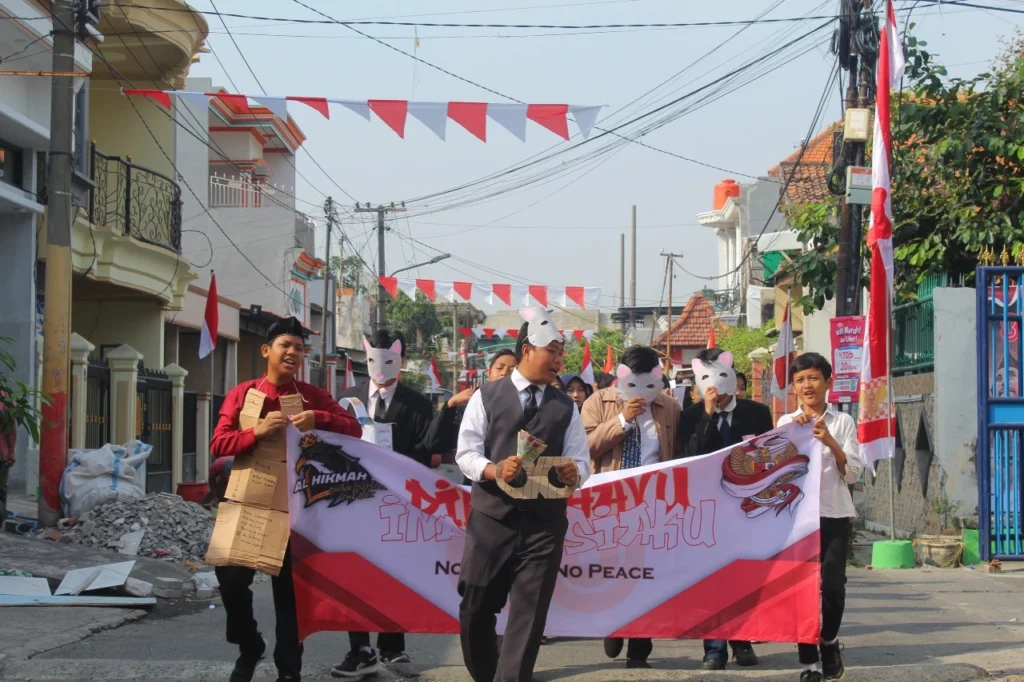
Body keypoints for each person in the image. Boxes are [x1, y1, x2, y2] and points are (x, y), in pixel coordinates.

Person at [211, 316, 362, 682]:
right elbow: (218, 444)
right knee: (230, 580)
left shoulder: (311, 397)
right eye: (285, 346)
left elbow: (354, 428)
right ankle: (249, 645)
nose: (293, 352)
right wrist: (255, 432)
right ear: (267, 351)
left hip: (297, 510)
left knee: (290, 598)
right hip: (249, 502)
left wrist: (320, 419)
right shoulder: (243, 394)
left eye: (298, 347)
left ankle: (289, 671)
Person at [455, 308, 591, 682]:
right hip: (491, 520)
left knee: (529, 614)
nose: (560, 360)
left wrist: (573, 473)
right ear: (528, 349)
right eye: (554, 351)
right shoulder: (487, 395)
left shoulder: (566, 406)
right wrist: (494, 470)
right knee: (476, 606)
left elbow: (582, 462)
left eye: (562, 352)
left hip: (544, 524)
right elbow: (465, 453)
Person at [333, 330, 437, 677]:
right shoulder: (346, 401)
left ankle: (393, 647)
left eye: (389, 359)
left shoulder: (419, 404)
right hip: (354, 505)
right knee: (356, 575)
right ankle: (359, 649)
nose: (380, 367)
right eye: (374, 359)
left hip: (399, 506)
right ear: (366, 358)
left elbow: (425, 455)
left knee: (395, 574)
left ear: (401, 361)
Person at [581, 345, 682, 669]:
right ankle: (614, 626)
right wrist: (623, 420)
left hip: (653, 502)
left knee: (646, 574)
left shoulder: (669, 407)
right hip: (609, 501)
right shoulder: (598, 402)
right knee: (614, 571)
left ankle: (640, 645)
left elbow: (678, 453)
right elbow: (585, 449)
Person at [678, 347, 772, 671]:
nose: (714, 384)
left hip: (746, 507)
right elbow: (688, 456)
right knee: (711, 578)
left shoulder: (758, 413)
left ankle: (742, 641)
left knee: (744, 576)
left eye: (719, 375)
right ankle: (714, 648)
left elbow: (768, 457)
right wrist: (706, 416)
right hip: (706, 510)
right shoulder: (689, 416)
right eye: (706, 377)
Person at [777, 352, 863, 682]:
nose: (807, 385)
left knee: (833, 586)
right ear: (794, 388)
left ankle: (829, 641)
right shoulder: (786, 424)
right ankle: (808, 665)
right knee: (800, 591)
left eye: (813, 378)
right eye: (800, 380)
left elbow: (852, 474)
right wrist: (791, 438)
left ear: (828, 382)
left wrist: (830, 442)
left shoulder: (842, 422)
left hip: (833, 515)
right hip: (796, 519)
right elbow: (776, 472)